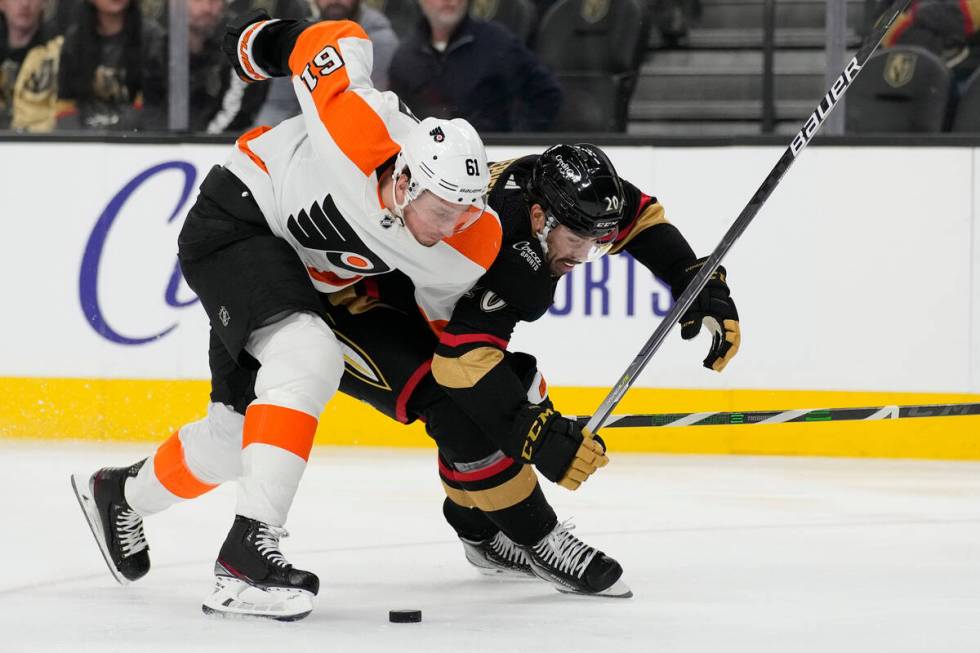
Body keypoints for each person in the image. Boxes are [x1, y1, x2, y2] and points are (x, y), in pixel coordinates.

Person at [71, 12, 498, 621]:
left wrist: (495, 399)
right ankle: (246, 557)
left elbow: (444, 329)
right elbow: (333, 40)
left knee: (234, 438)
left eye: (465, 211)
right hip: (238, 216)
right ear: (405, 179)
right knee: (309, 354)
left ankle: (120, 493)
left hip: (294, 279)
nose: (451, 227)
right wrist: (253, 44)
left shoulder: (465, 243)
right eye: (441, 210)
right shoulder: (357, 127)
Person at [318, 143, 741, 597]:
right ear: (540, 219)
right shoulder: (511, 250)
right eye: (576, 241)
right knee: (462, 409)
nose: (583, 255)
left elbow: (640, 219)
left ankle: (480, 535)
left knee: (517, 386)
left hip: (407, 295)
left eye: (597, 243)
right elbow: (461, 364)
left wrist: (692, 277)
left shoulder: (558, 187)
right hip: (343, 304)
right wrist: (533, 436)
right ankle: (538, 538)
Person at [388, 0, 562, 132]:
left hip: (491, 158)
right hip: (428, 162)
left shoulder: (498, 42)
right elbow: (397, 119)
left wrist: (515, 142)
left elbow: (547, 93)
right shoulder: (405, 56)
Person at [252, 0, 398, 126]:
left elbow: (373, 106)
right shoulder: (300, 37)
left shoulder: (380, 40)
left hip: (363, 134)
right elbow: (279, 104)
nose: (334, 1)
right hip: (308, 135)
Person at [55, 0, 167, 130]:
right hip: (85, 139)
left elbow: (155, 107)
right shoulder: (74, 40)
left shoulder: (152, 38)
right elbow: (65, 104)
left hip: (136, 139)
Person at [187, 0, 266, 132]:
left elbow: (237, 110)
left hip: (219, 141)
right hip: (157, 141)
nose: (207, 8)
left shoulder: (238, 39)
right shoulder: (161, 43)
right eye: (198, 0)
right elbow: (152, 103)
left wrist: (200, 139)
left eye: (215, 1)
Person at [0, 0, 62, 131]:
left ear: (44, 3)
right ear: (2, 3)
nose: (25, 4)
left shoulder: (59, 52)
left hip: (42, 140)